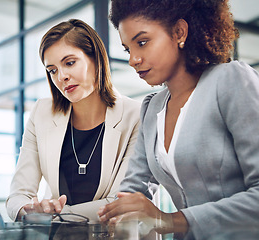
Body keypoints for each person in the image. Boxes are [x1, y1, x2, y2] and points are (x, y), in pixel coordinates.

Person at [98, 0, 259, 239]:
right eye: (127, 49)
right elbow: (131, 191)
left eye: (142, 42)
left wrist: (170, 220)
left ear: (179, 32)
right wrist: (115, 215)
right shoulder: (152, 109)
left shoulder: (230, 80)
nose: (133, 59)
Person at [6, 19, 141, 222]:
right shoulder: (41, 113)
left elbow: (119, 203)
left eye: (70, 63)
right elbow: (17, 196)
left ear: (96, 59)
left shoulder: (135, 115)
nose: (62, 76)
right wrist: (30, 210)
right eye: (52, 70)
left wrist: (53, 217)